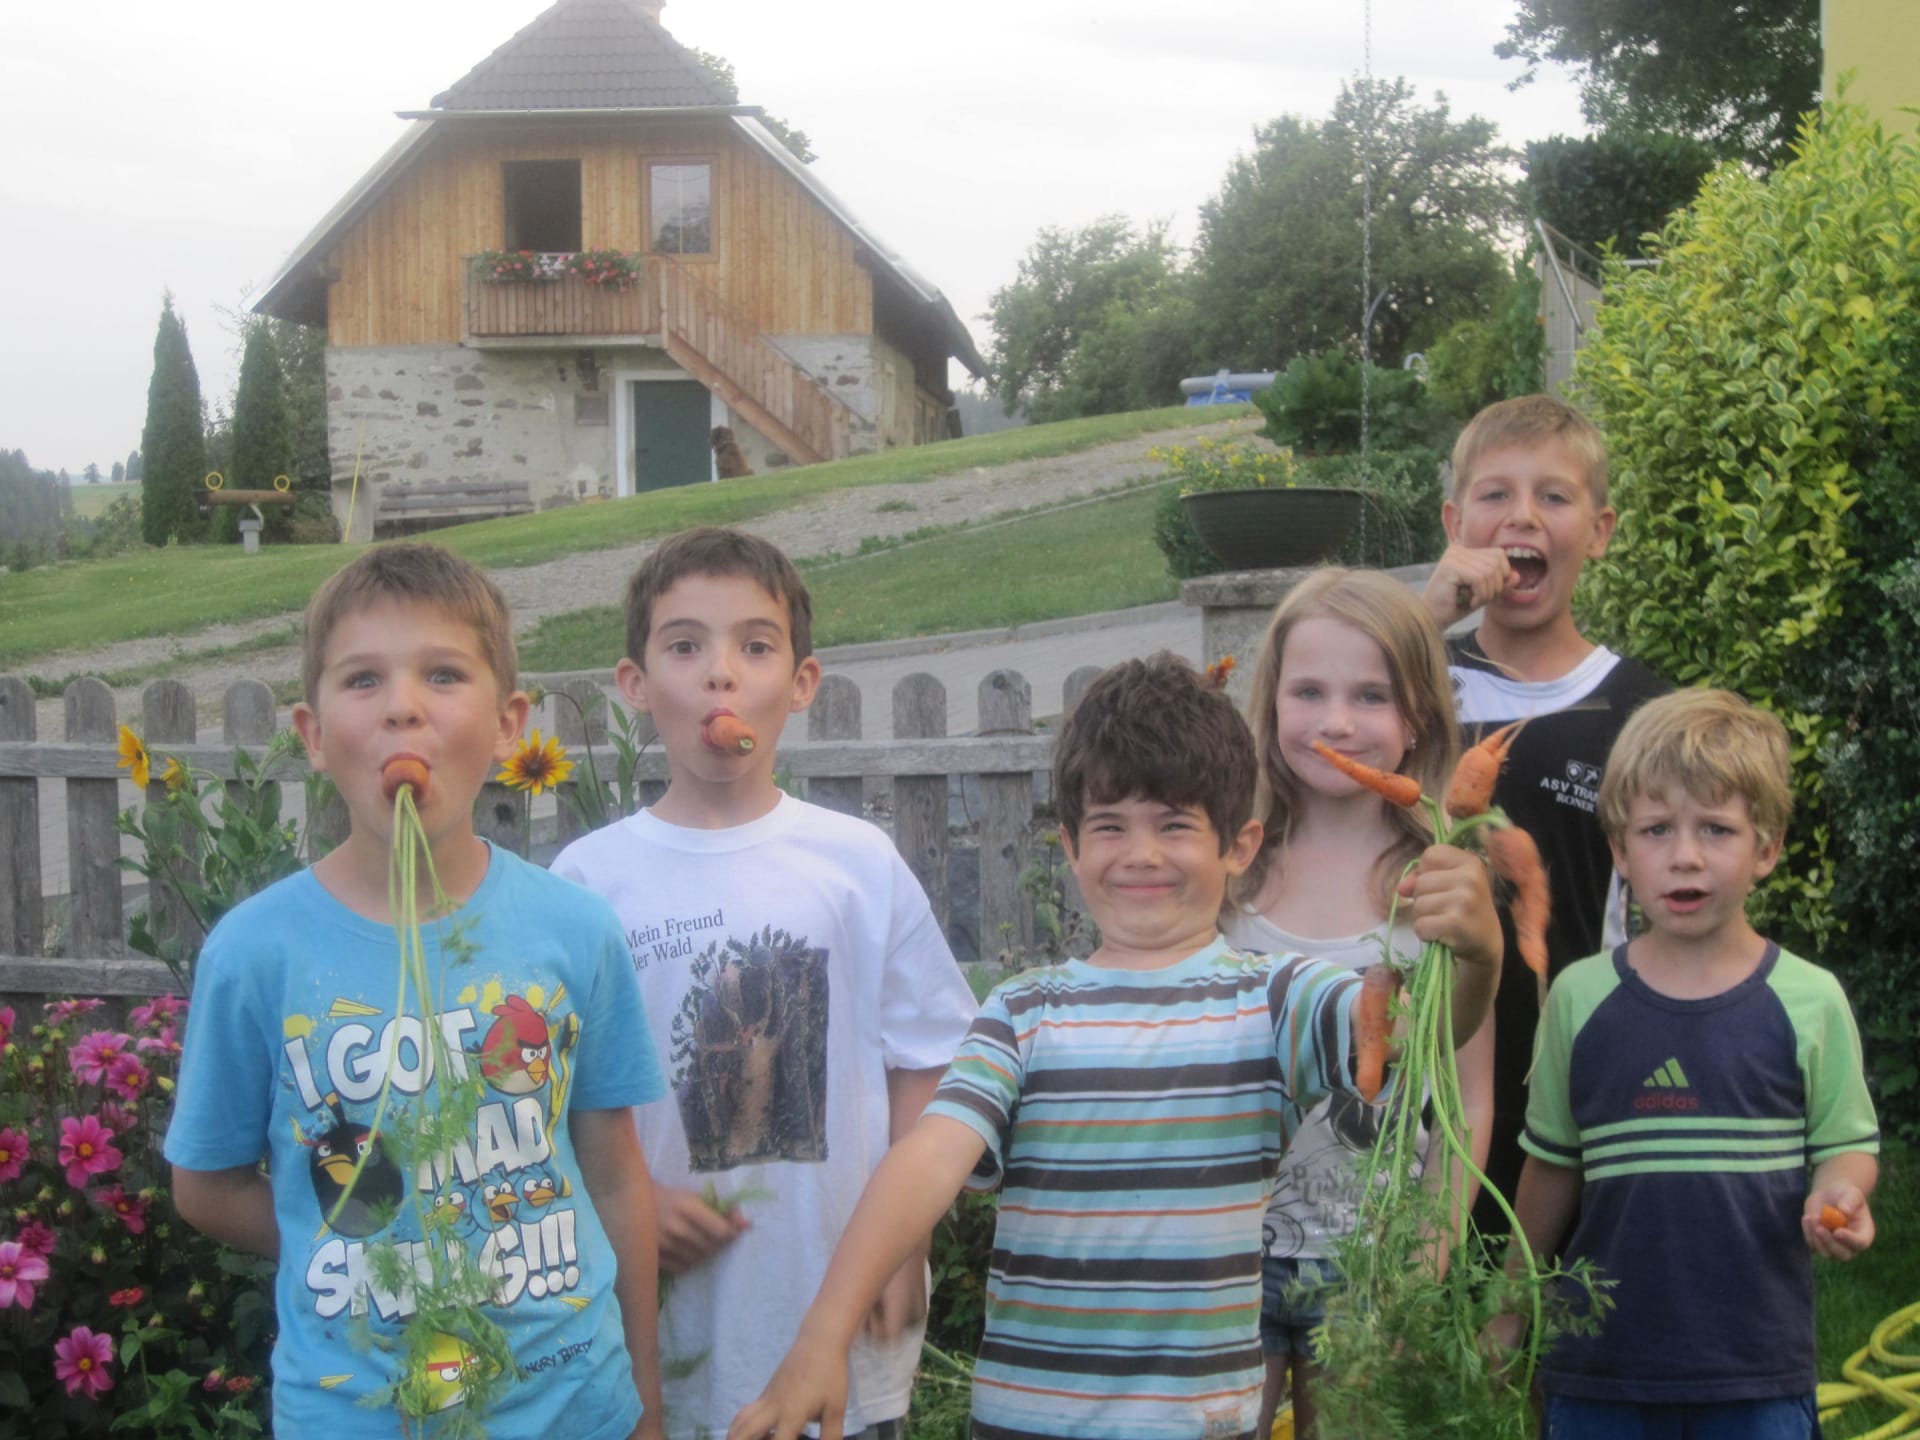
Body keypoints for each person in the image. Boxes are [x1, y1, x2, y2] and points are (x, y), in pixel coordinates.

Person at [727, 653, 1501, 1440]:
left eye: (1174, 824)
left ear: (1239, 845)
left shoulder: (1278, 1000)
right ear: (1070, 845)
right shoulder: (1023, 1012)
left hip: (1199, 1426)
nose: (1141, 854)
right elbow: (927, 1158)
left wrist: (1480, 956)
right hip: (1027, 1423)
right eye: (1109, 826)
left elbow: (1425, 1035)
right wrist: (824, 1334)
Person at [166, 543, 666, 1440]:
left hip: (575, 1405)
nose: (402, 705)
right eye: (363, 680)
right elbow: (204, 1186)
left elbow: (614, 1173)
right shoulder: (254, 953)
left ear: (508, 724)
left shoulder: (573, 928)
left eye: (442, 674)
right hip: (354, 1417)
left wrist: (646, 1403)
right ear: (314, 735)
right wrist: (370, 1237)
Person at [550, 527, 976, 1440]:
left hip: (838, 1330)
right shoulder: (586, 884)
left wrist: (906, 1244)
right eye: (684, 647)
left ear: (802, 681)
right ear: (634, 685)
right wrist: (627, 1201)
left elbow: (930, 1064)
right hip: (660, 1345)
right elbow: (547, 1101)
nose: (721, 675)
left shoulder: (857, 861)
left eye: (754, 646)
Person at [1487, 688, 1878, 1439]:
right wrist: (1509, 1308)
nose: (1685, 855)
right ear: (1620, 851)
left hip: (1755, 1368)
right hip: (1601, 1369)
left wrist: (1841, 1192)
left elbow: (1846, 1144)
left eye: (1717, 829)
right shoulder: (1581, 998)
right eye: (1657, 829)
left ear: (1766, 849)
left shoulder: (1809, 1000)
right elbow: (1553, 1167)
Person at [1226, 568, 1500, 1440]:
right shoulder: (1230, 869)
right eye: (1308, 691)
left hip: (1369, 1256)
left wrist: (1425, 1260)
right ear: (1271, 703)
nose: (1337, 722)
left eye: (1370, 696)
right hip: (1221, 1249)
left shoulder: (1439, 882)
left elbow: (1470, 1098)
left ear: (1418, 718)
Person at [1421, 394, 1669, 1230]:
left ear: (1599, 532)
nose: (1522, 515)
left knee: (1544, 1289)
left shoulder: (1641, 710)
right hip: (1412, 1057)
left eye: (1553, 497)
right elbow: (1298, 742)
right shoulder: (1407, 680)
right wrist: (1423, 620)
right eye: (1495, 494)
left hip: (1567, 1070)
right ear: (1455, 524)